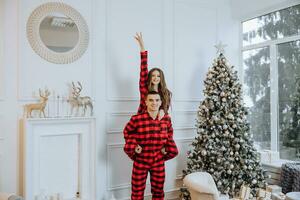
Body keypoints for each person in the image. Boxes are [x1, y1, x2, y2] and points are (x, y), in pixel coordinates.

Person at [123, 90, 178, 200]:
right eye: (151, 100)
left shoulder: (166, 119)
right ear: (146, 102)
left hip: (158, 162)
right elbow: (127, 132)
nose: (154, 103)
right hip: (140, 162)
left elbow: (170, 135)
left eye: (157, 100)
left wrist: (165, 150)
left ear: (161, 102)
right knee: (137, 193)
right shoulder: (137, 119)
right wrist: (134, 146)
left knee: (158, 192)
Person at [134, 33, 172, 119]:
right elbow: (143, 68)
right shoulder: (144, 87)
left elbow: (166, 109)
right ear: (150, 77)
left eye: (158, 76)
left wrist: (162, 110)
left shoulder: (166, 93)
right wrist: (142, 46)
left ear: (161, 78)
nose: (156, 78)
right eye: (153, 75)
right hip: (142, 120)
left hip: (157, 123)